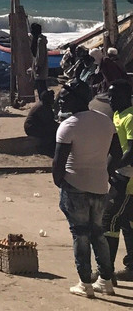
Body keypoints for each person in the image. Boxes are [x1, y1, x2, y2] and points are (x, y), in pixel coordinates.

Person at [53, 79, 120, 297]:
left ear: (77, 98)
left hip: (74, 186)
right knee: (98, 233)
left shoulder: (68, 125)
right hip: (99, 186)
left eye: (64, 97)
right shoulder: (105, 121)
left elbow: (58, 163)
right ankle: (105, 281)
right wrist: (104, 171)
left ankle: (85, 283)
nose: (60, 100)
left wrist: (61, 182)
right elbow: (117, 153)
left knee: (80, 234)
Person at [104, 81, 133, 272]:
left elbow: (131, 151)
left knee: (109, 219)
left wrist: (115, 168)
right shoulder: (117, 115)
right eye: (109, 96)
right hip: (121, 174)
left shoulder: (130, 117)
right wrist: (107, 168)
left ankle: (106, 272)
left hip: (127, 178)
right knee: (127, 221)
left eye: (114, 96)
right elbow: (117, 147)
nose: (110, 100)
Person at [25, 89, 59, 156]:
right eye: (52, 98)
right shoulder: (43, 107)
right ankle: (48, 149)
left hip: (36, 126)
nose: (53, 100)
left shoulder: (44, 105)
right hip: (32, 128)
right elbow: (49, 122)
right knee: (53, 133)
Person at [30, 22, 50, 94]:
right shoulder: (37, 39)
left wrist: (38, 66)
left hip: (40, 67)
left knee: (41, 86)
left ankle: (44, 99)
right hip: (39, 66)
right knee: (41, 85)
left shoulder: (40, 41)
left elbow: (40, 55)